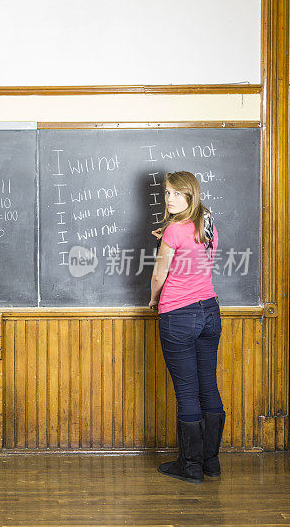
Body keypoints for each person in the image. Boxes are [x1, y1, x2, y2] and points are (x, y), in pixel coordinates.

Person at [149, 171, 225, 484]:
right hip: (210, 311)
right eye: (167, 193)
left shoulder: (174, 232)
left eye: (176, 194)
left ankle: (190, 467)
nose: (169, 199)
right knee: (208, 386)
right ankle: (211, 463)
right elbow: (198, 258)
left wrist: (153, 300)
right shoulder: (206, 223)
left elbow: (158, 277)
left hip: (179, 315)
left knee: (188, 394)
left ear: (190, 196)